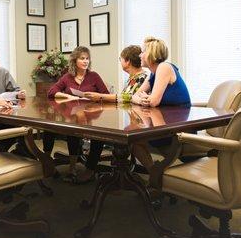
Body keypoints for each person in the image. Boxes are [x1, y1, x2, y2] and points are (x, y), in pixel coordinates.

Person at [77, 45, 148, 183]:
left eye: (120, 59)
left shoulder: (143, 77)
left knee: (98, 133)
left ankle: (92, 170)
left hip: (138, 122)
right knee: (99, 128)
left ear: (127, 61)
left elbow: (129, 98)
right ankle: (110, 169)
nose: (120, 62)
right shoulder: (133, 77)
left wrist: (101, 97)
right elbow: (125, 99)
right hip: (129, 118)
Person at [44, 46, 109, 183]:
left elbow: (107, 95)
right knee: (59, 129)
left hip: (91, 116)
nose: (85, 61)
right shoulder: (68, 77)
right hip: (72, 115)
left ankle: (87, 168)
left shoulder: (94, 76)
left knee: (96, 134)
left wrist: (96, 96)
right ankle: (70, 167)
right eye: (82, 58)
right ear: (75, 61)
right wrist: (67, 97)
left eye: (87, 58)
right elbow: (51, 92)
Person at [130, 36, 191, 171]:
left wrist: (148, 99)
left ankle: (154, 174)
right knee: (132, 138)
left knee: (133, 139)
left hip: (178, 128)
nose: (140, 55)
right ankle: (155, 173)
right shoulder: (153, 73)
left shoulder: (164, 67)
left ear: (151, 53)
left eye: (143, 51)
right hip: (165, 124)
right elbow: (134, 96)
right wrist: (141, 99)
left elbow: (153, 102)